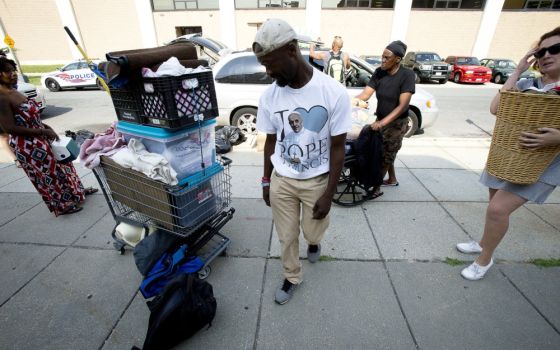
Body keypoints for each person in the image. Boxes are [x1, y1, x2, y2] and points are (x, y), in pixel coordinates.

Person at [253, 18, 351, 305]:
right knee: (286, 237)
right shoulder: (270, 96)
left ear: (292, 50)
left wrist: (329, 194)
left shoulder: (332, 92)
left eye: (271, 64)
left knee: (312, 229)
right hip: (283, 179)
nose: (269, 72)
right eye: (264, 66)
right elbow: (270, 141)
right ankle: (292, 275)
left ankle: (314, 241)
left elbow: (338, 148)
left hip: (316, 181)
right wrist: (266, 180)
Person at [456, 26, 560, 281]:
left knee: (497, 210)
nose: (546, 55)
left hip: (543, 163)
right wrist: (517, 71)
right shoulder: (527, 83)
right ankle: (483, 243)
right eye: (541, 50)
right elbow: (495, 108)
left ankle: (485, 259)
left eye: (554, 49)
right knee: (494, 205)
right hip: (509, 155)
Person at [0, 56, 98, 216]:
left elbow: (32, 117)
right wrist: (41, 131)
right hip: (28, 145)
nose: (13, 74)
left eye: (13, 70)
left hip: (41, 138)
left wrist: (46, 127)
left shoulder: (13, 91)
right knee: (48, 175)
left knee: (64, 167)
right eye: (7, 71)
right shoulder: (2, 97)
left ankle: (76, 192)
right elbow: (9, 127)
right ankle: (62, 205)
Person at [353, 40, 415, 198]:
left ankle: (376, 188)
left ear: (397, 59)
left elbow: (402, 105)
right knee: (386, 150)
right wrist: (349, 102)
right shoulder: (379, 72)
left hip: (397, 122)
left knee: (386, 153)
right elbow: (365, 94)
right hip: (380, 119)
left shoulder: (406, 75)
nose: (383, 60)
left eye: (387, 58)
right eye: (382, 57)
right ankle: (392, 178)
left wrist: (382, 123)